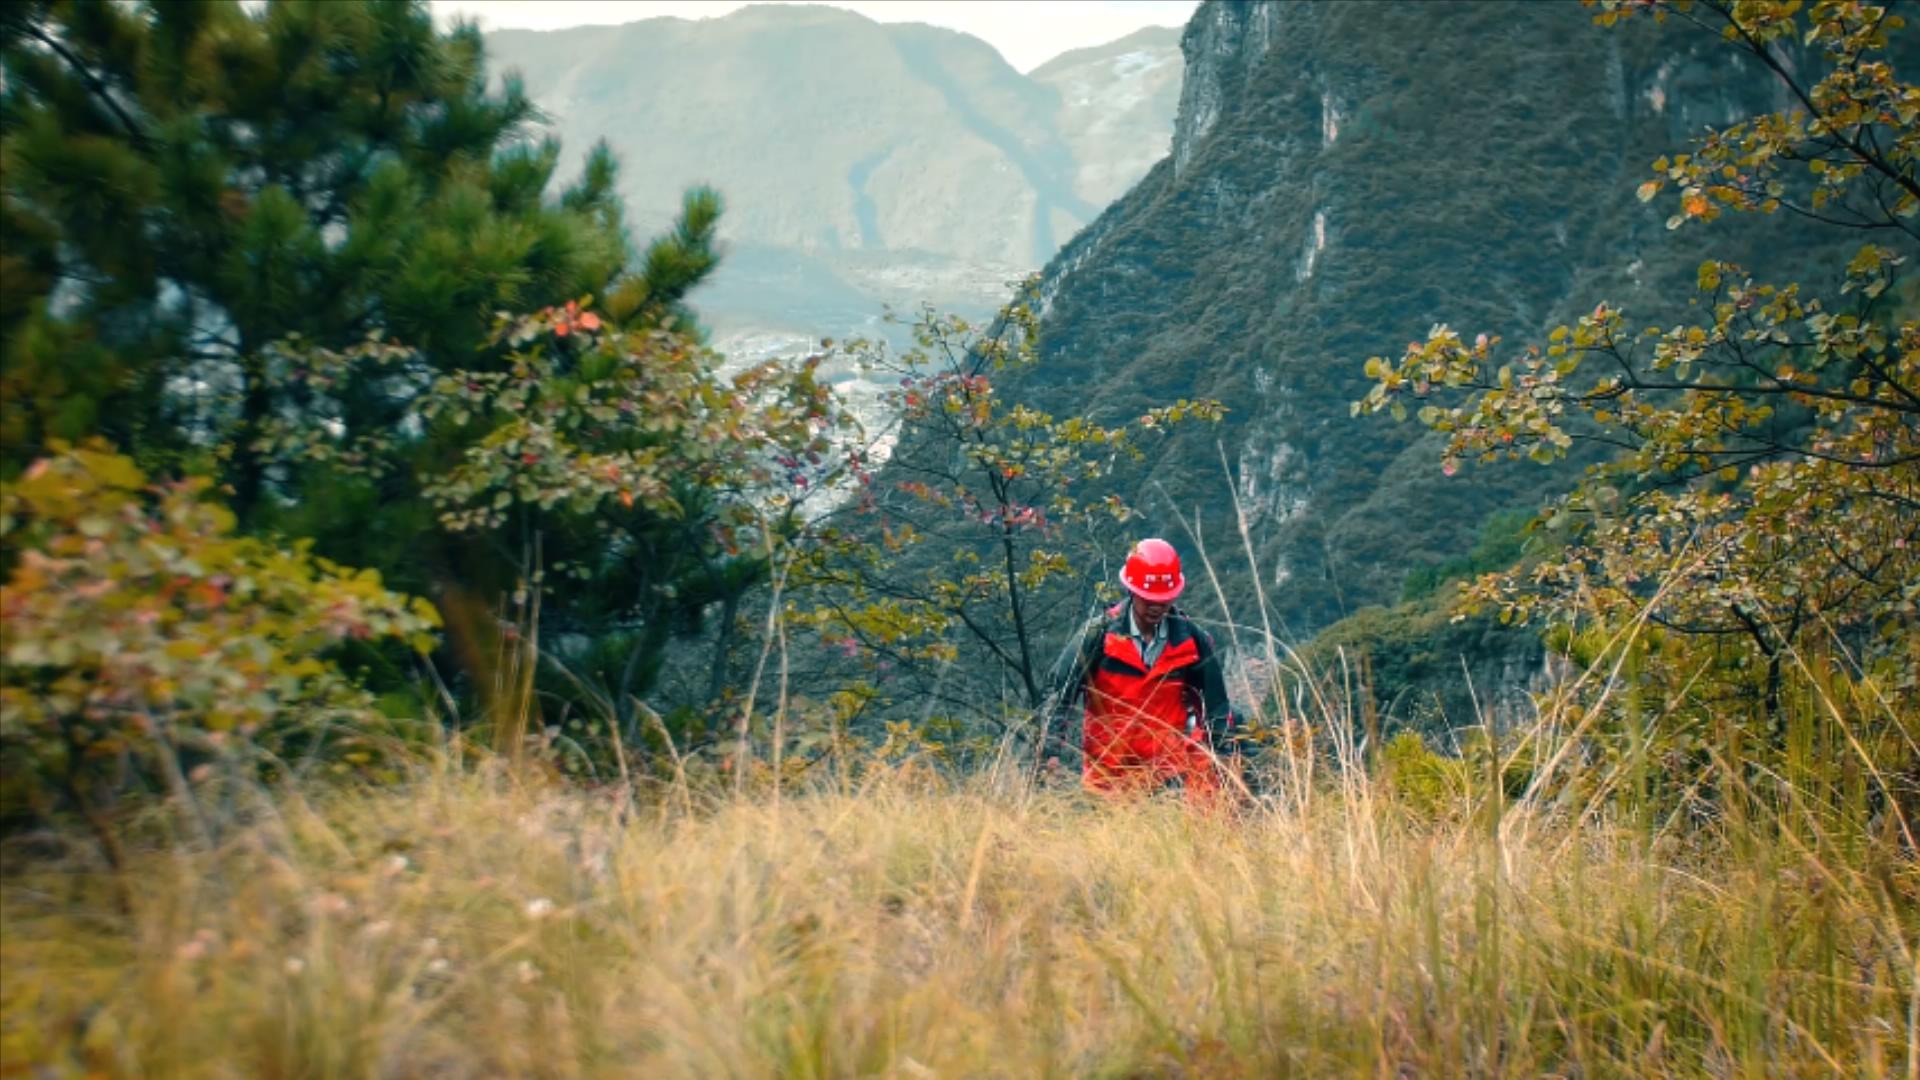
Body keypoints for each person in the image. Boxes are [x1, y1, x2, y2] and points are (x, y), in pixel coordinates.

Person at [1046, 538, 1241, 798]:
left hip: (1167, 778)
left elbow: (1216, 705)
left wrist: (1224, 758)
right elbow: (1059, 694)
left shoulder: (1192, 641)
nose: (1157, 607)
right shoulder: (1098, 636)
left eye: (1164, 600)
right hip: (1106, 781)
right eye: (1149, 600)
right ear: (1132, 591)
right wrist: (1050, 754)